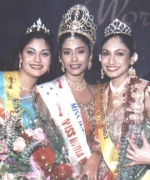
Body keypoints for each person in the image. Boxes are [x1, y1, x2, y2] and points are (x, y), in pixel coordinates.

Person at [36, 4, 102, 180]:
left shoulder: (101, 93)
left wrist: (95, 156)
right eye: (67, 52)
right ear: (60, 57)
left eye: (80, 51)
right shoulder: (46, 93)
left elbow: (107, 138)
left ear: (89, 55)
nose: (74, 59)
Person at [0, 18, 55, 179]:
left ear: (50, 61)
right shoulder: (2, 81)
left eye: (44, 54)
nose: (37, 60)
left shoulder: (45, 101)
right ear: (20, 56)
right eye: (30, 52)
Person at [96, 18, 150, 179]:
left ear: (133, 58)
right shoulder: (98, 92)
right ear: (100, 58)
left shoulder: (145, 91)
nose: (111, 61)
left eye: (119, 54)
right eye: (106, 54)